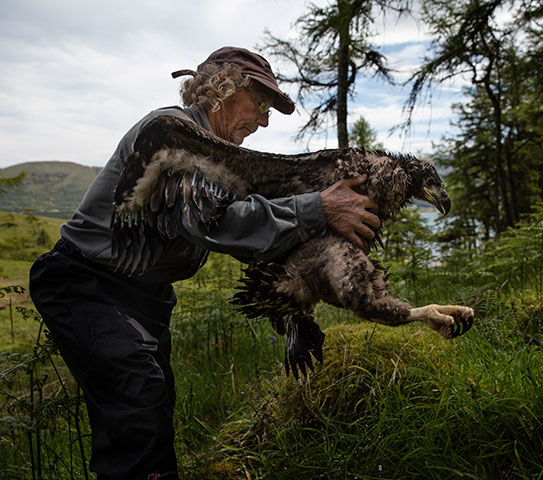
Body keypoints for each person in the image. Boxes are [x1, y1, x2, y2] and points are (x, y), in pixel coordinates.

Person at [29, 46, 380, 480]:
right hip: (86, 284)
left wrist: (295, 313)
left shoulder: (219, 157)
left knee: (151, 410)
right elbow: (213, 223)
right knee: (139, 404)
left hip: (144, 295)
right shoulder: (172, 133)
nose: (265, 121)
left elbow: (257, 232)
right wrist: (316, 209)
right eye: (262, 103)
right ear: (223, 87)